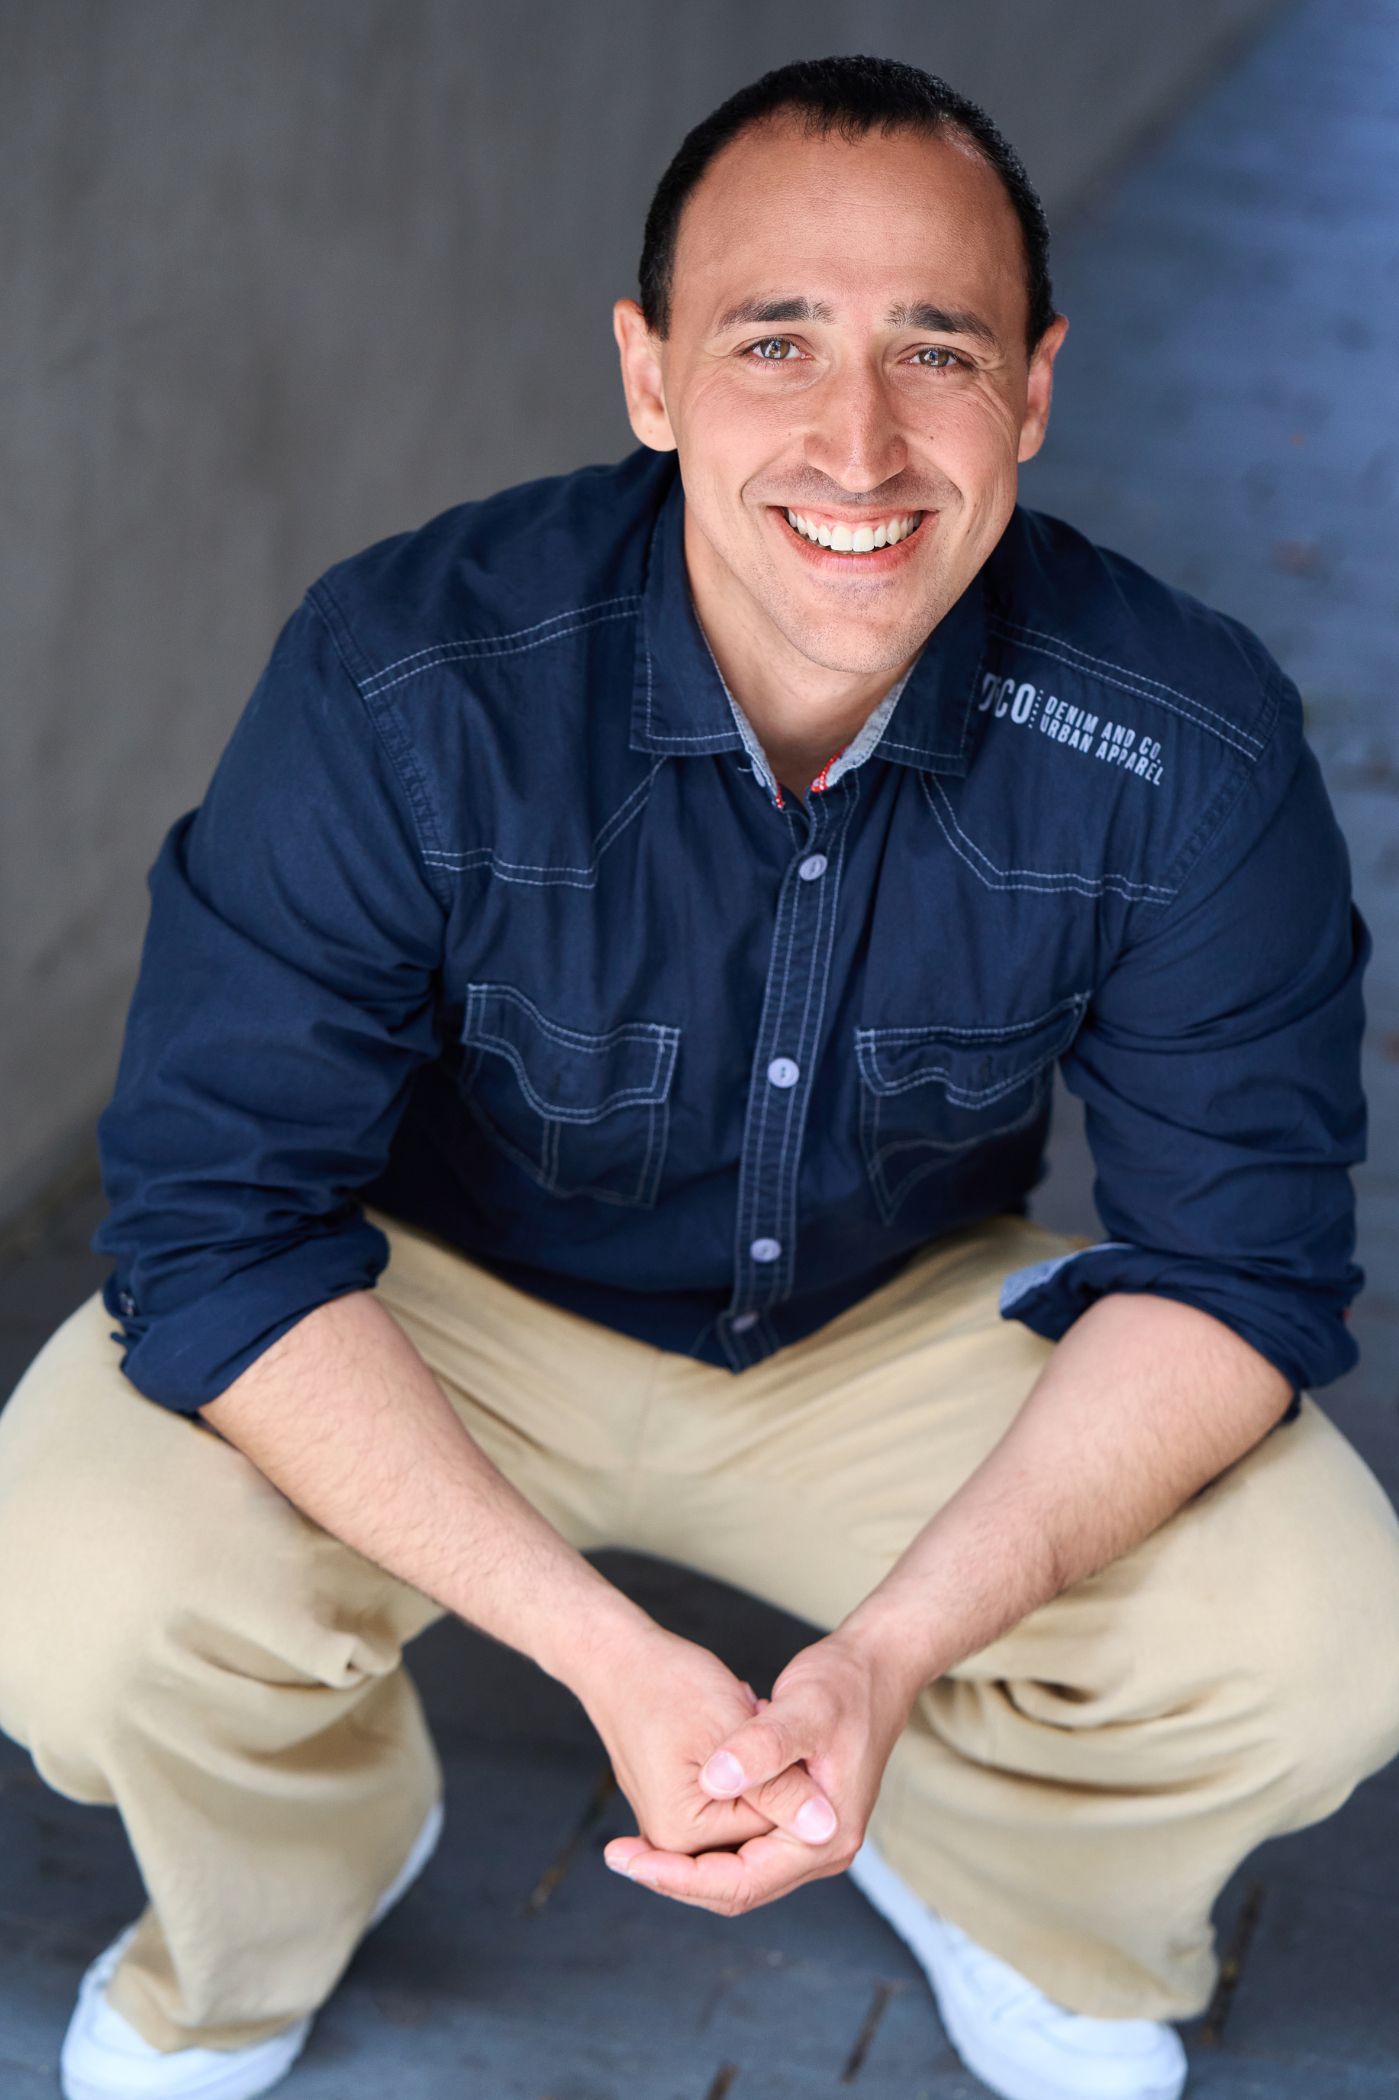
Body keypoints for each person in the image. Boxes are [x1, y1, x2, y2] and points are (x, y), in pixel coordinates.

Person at [1, 51, 1396, 2100]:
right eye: (775, 341)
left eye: (937, 349)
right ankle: (291, 1879)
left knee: (1318, 1625)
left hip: (880, 1319)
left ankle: (1012, 1874)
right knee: (68, 1568)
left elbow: (1233, 1274)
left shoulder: (1184, 741)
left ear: (1032, 389)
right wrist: (602, 1651)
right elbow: (217, 1229)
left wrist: (883, 1663)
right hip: (435, 1299)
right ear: (649, 374)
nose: (859, 442)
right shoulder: (409, 675)